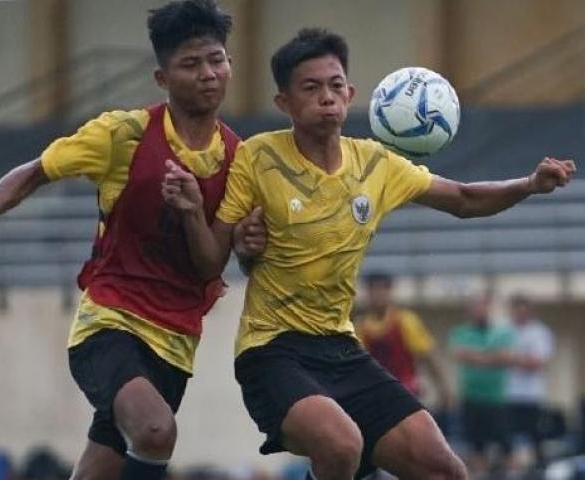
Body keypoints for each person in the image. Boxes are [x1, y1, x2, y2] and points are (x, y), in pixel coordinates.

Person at [161, 28, 576, 480]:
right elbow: (211, 260)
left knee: (445, 470)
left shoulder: (376, 163)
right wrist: (214, 227)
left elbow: (464, 198)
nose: (327, 97)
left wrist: (529, 185)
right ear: (284, 103)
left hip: (342, 349)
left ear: (352, 94)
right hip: (272, 352)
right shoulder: (257, 158)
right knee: (342, 445)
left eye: (335, 86)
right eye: (311, 87)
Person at [0, 2, 265, 479]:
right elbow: (36, 171)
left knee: (101, 467)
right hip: (110, 324)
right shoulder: (123, 134)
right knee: (156, 432)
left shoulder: (240, 159)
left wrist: (234, 237)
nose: (208, 74)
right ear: (162, 77)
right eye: (191, 64)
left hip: (176, 341)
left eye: (217, 60)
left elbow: (210, 266)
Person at [356, 272, 453, 411]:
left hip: (407, 392)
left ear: (389, 291)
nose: (377, 295)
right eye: (373, 290)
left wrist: (443, 388)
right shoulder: (361, 327)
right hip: (377, 395)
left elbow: (428, 356)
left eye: (381, 289)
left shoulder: (406, 321)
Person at [449, 294, 514, 476]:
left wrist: (476, 356)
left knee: (505, 444)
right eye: (475, 306)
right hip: (471, 397)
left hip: (496, 399)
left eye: (483, 306)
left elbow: (506, 357)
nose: (479, 310)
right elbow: (460, 354)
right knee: (476, 445)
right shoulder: (460, 332)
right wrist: (491, 356)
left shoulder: (502, 332)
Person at [504, 293, 554, 468]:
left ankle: (538, 471)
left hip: (532, 395)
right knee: (507, 441)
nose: (520, 315)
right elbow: (496, 358)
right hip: (509, 395)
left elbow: (538, 362)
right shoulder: (505, 331)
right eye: (516, 311)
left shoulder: (539, 332)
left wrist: (511, 359)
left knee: (535, 439)